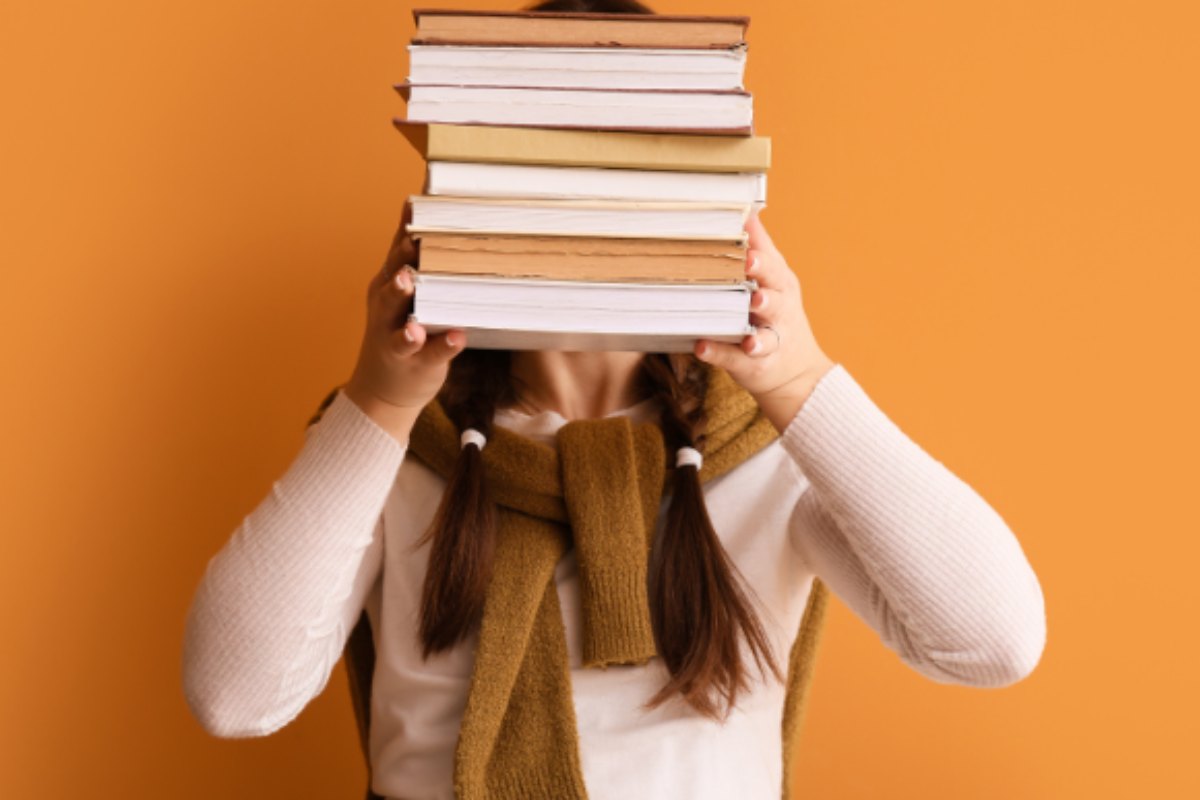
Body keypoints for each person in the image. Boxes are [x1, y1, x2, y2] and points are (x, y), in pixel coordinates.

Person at [182, 2, 1046, 798]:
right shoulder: (397, 443)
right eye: (534, 163)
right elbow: (232, 697)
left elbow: (993, 642)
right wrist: (377, 400)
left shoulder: (774, 448)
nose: (579, 207)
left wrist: (796, 378)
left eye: (624, 162)